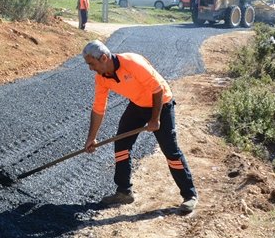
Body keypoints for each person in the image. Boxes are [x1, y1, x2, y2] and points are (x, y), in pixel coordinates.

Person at [81, 40, 198, 214]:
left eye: (92, 64)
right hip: (138, 105)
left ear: (104, 58)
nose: (91, 68)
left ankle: (190, 195)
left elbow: (157, 89)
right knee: (122, 145)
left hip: (161, 104)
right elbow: (99, 108)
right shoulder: (101, 78)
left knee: (170, 150)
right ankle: (124, 191)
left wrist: (155, 119)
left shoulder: (133, 63)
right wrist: (91, 137)